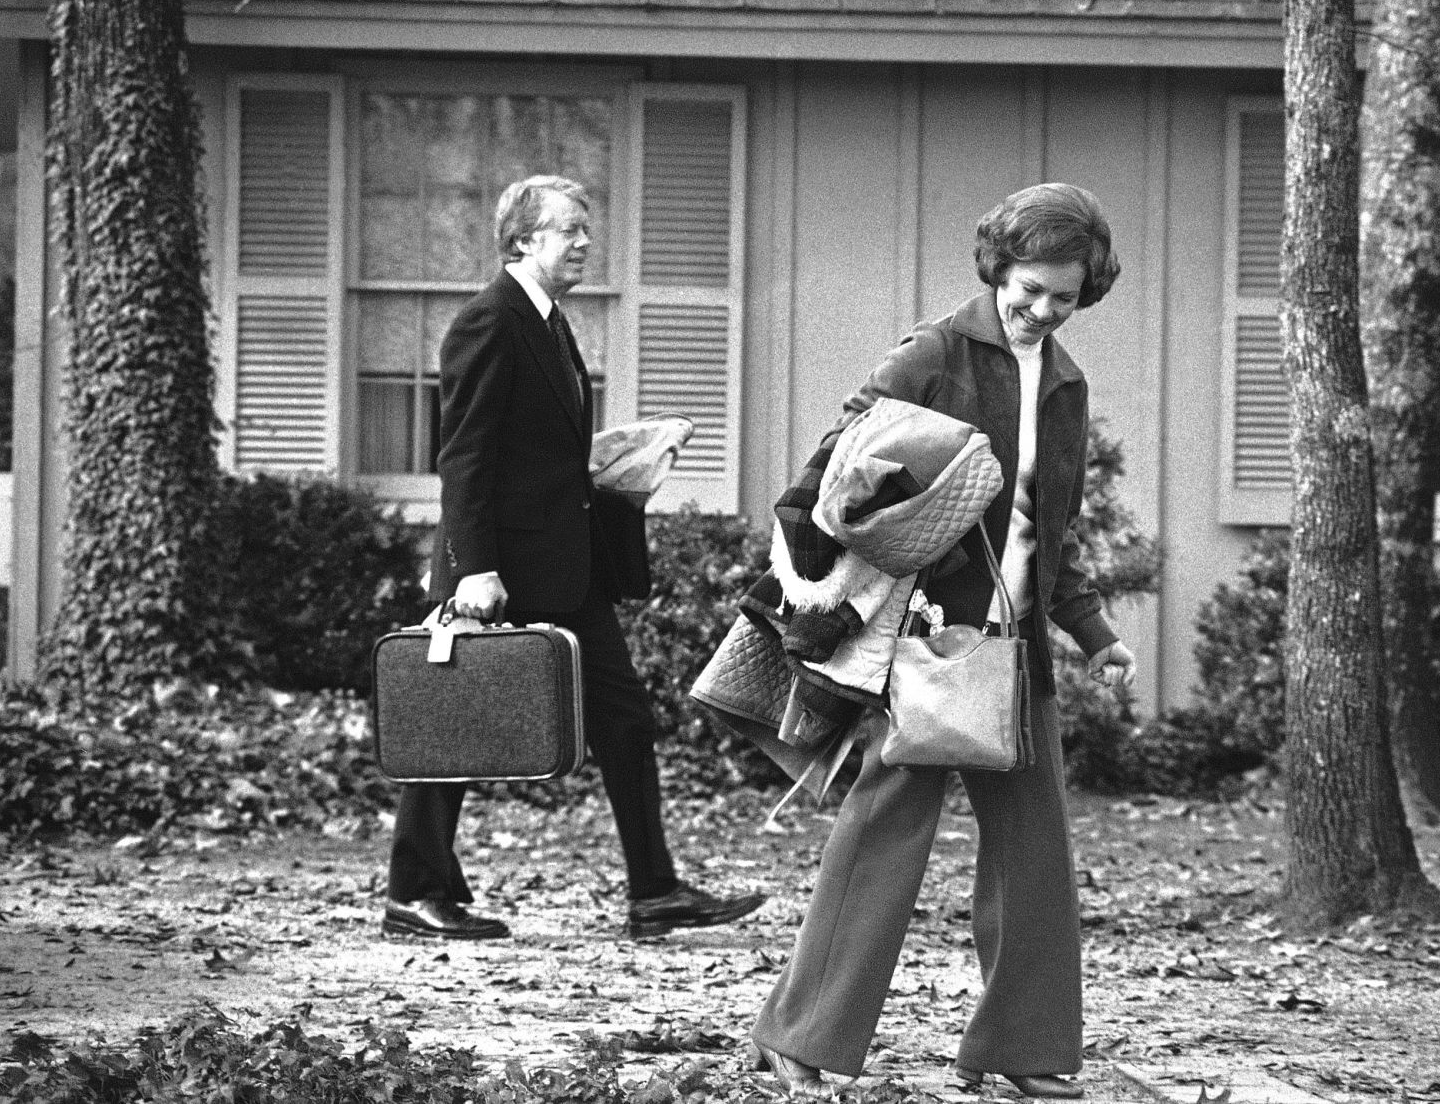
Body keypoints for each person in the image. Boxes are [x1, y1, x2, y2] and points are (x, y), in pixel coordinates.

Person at [747, 183, 1136, 1098]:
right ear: (999, 266)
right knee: (882, 831)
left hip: (1015, 649)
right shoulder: (932, 352)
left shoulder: (1067, 384)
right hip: (921, 637)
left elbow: (1050, 528)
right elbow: (828, 475)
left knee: (1035, 852)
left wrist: (1091, 633)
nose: (1041, 309)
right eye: (1028, 288)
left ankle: (1022, 1047)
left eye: (1064, 297)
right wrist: (831, 589)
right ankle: (799, 1033)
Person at [382, 175, 766, 942]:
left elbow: (535, 453)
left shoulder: (550, 323)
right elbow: (463, 457)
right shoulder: (489, 320)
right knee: (459, 721)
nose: (586, 242)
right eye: (569, 230)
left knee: (623, 717)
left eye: (586, 228)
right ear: (524, 239)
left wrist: (629, 455)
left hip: (563, 566)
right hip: (501, 569)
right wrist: (473, 569)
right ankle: (414, 890)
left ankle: (654, 891)